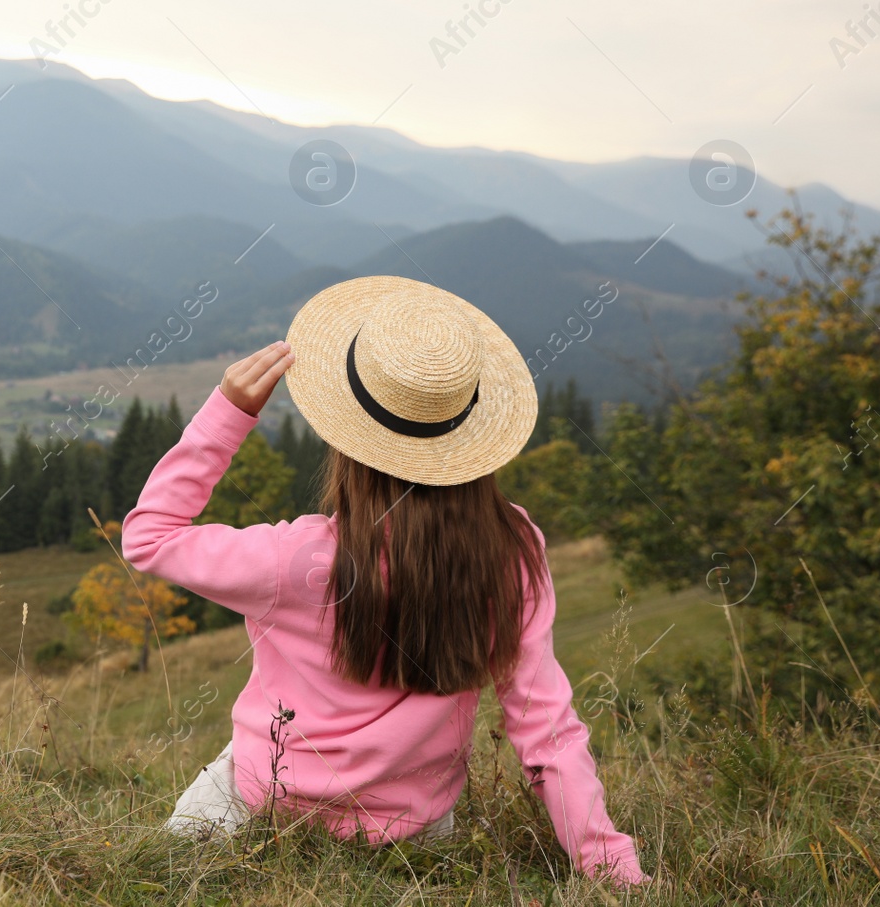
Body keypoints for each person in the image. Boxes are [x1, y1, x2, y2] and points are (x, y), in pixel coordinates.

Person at [121, 276, 647, 887]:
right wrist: (609, 865)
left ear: (348, 440)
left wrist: (227, 414)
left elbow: (148, 537)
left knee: (153, 878)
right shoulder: (512, 549)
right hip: (412, 832)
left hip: (263, 803)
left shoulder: (298, 558)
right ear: (468, 437)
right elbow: (546, 730)